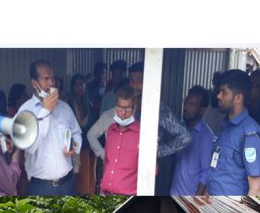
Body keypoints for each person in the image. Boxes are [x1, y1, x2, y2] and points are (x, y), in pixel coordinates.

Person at [87, 61, 190, 195]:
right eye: (132, 81)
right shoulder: (119, 115)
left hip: (145, 174)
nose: (135, 85)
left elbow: (185, 137)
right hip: (119, 176)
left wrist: (155, 152)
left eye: (140, 80)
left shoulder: (157, 109)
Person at [17, 59, 81, 196]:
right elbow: (30, 147)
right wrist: (45, 111)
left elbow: (77, 132)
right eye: (46, 78)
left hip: (68, 182)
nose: (52, 83)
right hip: (41, 187)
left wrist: (75, 145)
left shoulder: (65, 107)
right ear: (34, 83)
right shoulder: (24, 112)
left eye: (53, 77)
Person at [206, 69, 260, 196]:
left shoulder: (249, 134)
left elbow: (257, 188)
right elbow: (214, 176)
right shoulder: (225, 128)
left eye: (224, 92)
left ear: (238, 98)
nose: (218, 96)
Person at [171, 86, 215, 196]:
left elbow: (206, 174)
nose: (185, 107)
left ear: (202, 110)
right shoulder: (179, 129)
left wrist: (194, 202)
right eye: (185, 103)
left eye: (191, 105)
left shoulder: (206, 137)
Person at [99, 86, 140, 196]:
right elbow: (107, 162)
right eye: (120, 107)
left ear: (134, 108)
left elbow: (151, 171)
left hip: (127, 196)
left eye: (127, 108)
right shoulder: (111, 130)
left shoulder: (142, 134)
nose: (123, 113)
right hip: (105, 192)